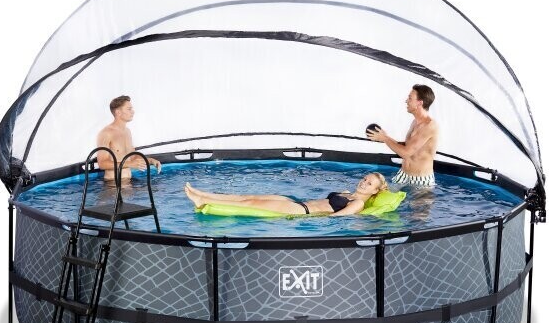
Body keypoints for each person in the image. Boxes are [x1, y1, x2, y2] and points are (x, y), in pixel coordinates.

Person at [184, 173, 388, 216]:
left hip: (300, 210)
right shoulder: (346, 193)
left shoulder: (358, 204)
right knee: (246, 197)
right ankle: (202, 193)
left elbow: (336, 218)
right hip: (295, 202)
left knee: (250, 204)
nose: (364, 182)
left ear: (375, 190)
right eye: (364, 179)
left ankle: (202, 201)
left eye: (369, 183)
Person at [367, 84, 438, 187]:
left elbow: (406, 153)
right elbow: (407, 147)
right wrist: (384, 137)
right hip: (403, 175)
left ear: (420, 103)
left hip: (421, 179)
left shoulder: (429, 126)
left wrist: (385, 138)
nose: (406, 101)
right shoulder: (415, 122)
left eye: (410, 98)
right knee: (382, 196)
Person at [96, 95, 161, 181]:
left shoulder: (127, 132)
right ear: (118, 112)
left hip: (128, 181)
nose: (133, 112)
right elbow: (102, 163)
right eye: (129, 109)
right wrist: (130, 164)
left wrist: (150, 161)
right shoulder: (106, 133)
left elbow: (133, 157)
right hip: (113, 184)